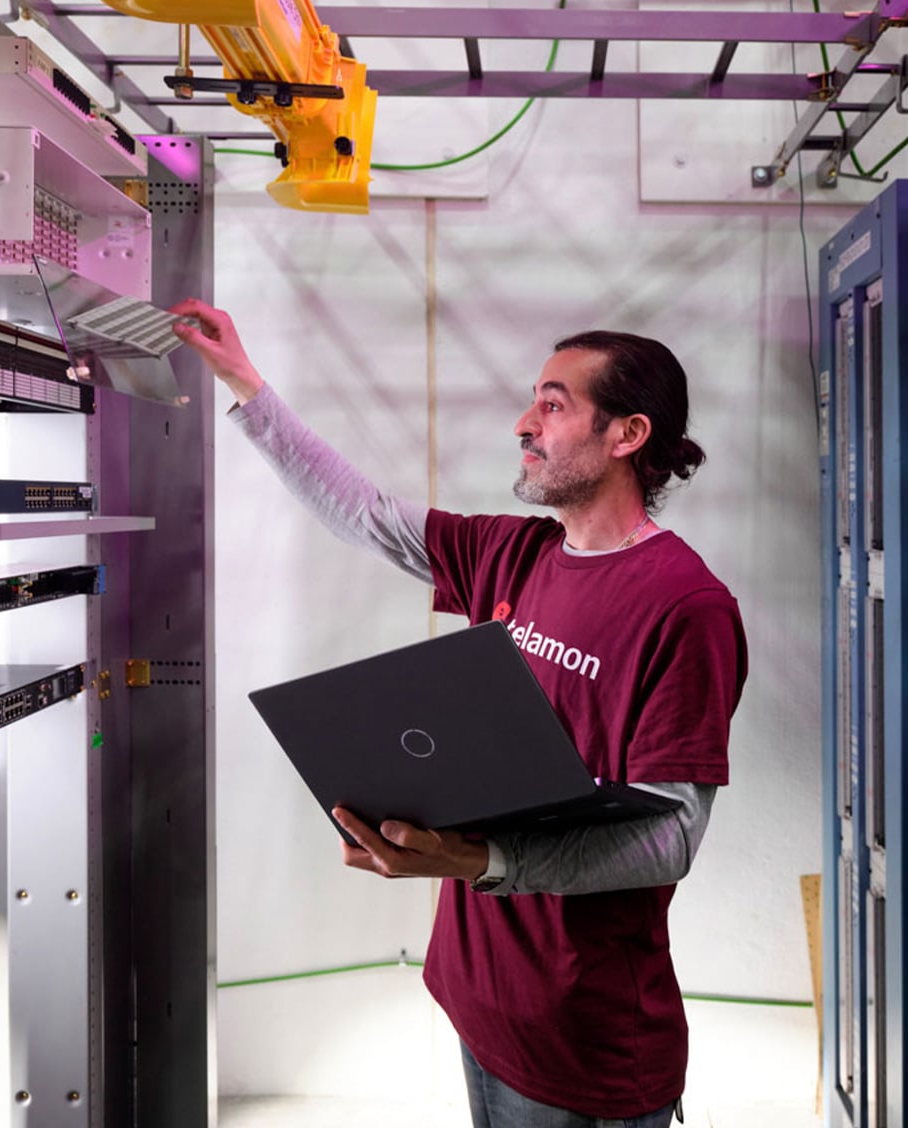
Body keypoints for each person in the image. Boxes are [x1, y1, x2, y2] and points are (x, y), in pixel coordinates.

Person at [171, 300, 748, 1128]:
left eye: (553, 404)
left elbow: (671, 836)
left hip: (582, 1041)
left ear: (626, 435)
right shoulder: (511, 552)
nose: (525, 423)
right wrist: (243, 382)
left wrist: (483, 861)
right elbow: (365, 513)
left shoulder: (685, 606)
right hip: (480, 1000)